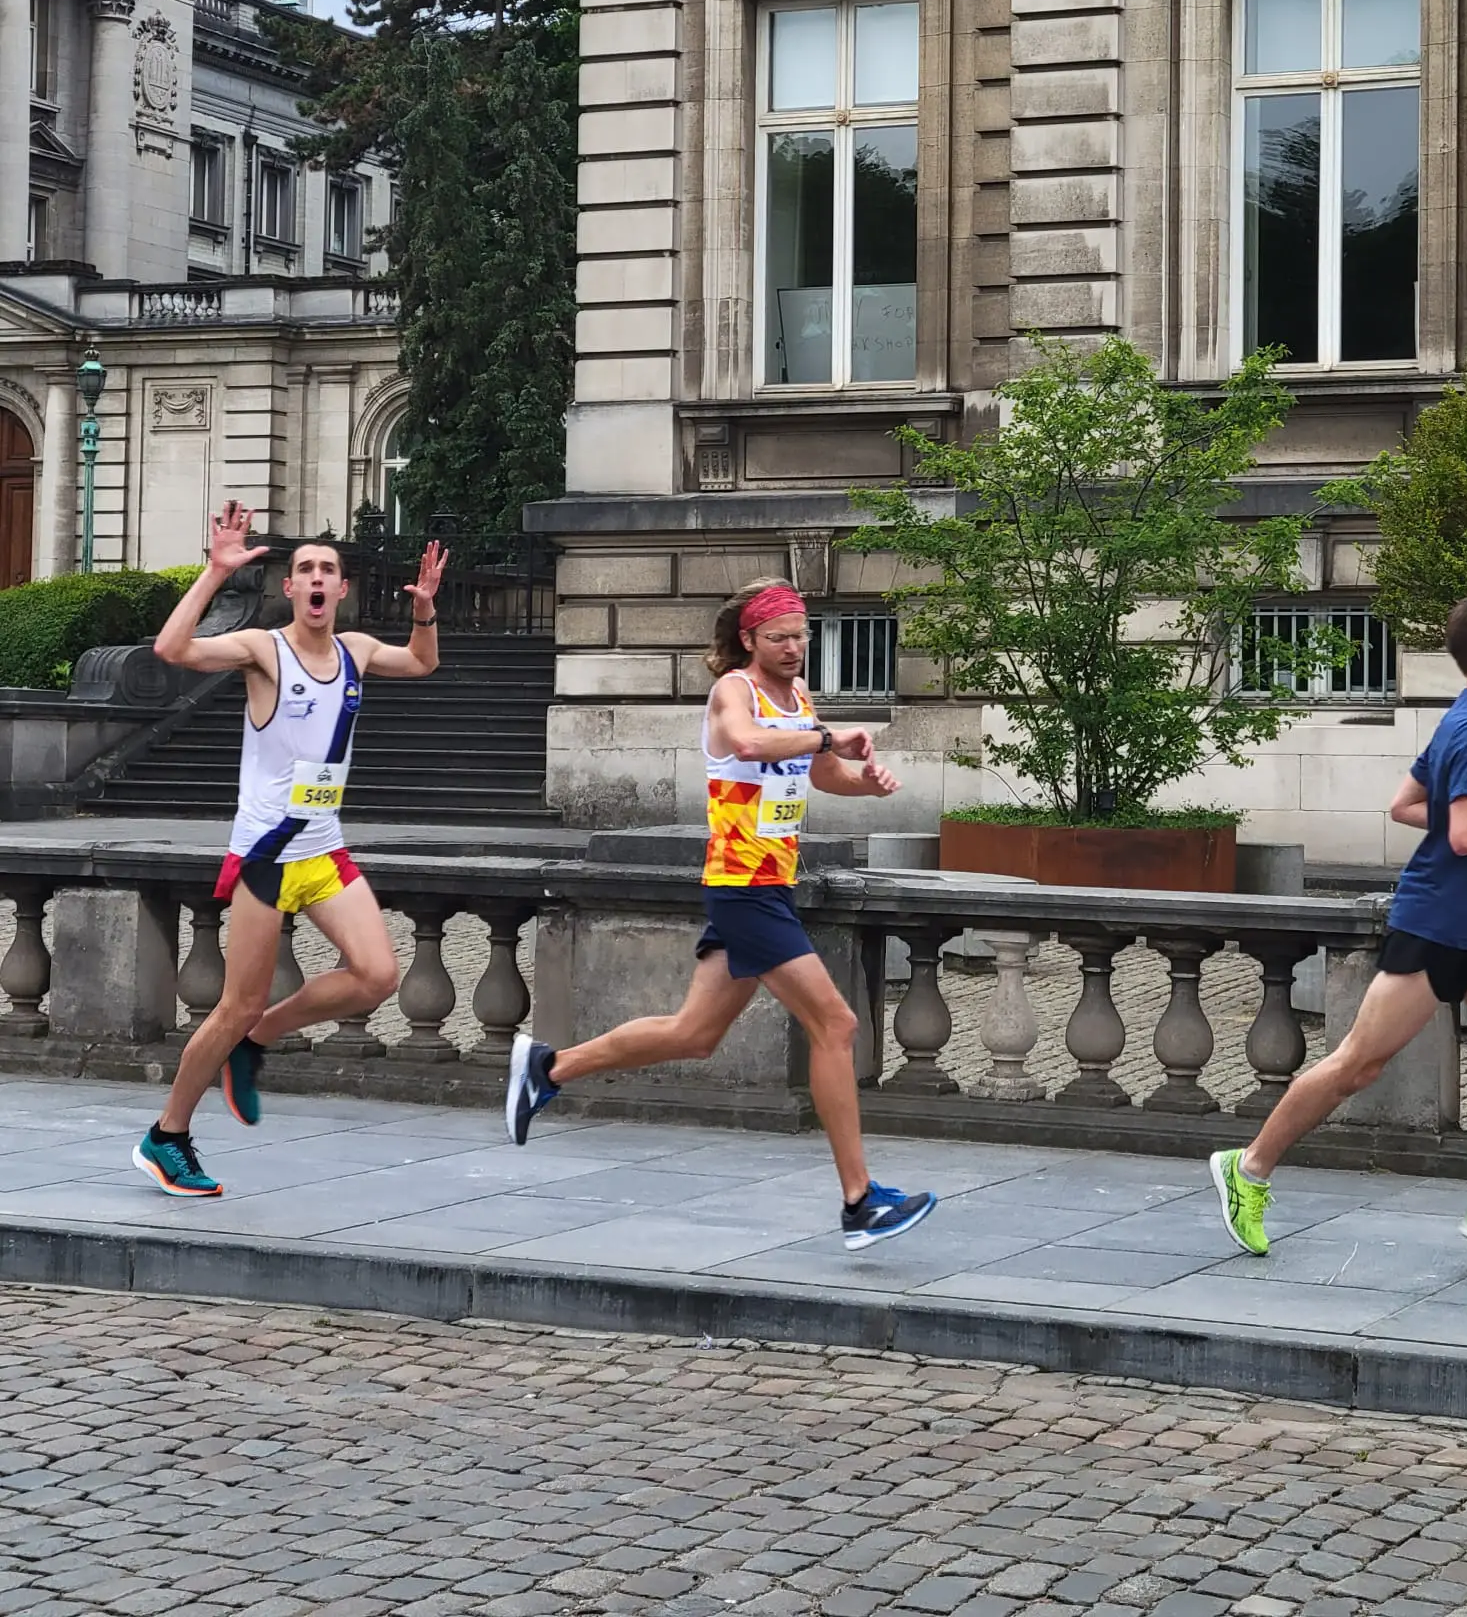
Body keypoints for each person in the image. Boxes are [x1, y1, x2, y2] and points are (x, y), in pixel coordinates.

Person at [504, 578, 938, 1249]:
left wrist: (864, 780)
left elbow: (818, 777)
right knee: (836, 1022)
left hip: (771, 885)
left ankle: (548, 1070)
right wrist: (826, 739)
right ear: (748, 639)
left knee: (694, 1033)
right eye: (780, 638)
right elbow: (747, 744)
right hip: (743, 887)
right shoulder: (734, 690)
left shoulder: (796, 697)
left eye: (801, 636)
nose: (795, 648)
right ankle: (858, 1201)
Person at [132, 500, 448, 1197]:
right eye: (302, 567)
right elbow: (171, 650)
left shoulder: (357, 650)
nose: (313, 578)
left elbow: (422, 664)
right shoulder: (263, 651)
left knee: (376, 975)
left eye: (326, 569)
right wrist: (214, 573)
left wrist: (423, 609)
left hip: (324, 847)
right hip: (267, 855)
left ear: (341, 590)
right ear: (289, 589)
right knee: (233, 1005)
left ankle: (259, 1039)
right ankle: (168, 1135)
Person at [1212, 587, 1467, 1258]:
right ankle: (1249, 1166)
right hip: (1435, 927)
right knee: (1355, 1066)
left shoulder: (1462, 721)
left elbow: (1405, 806)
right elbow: (1465, 835)